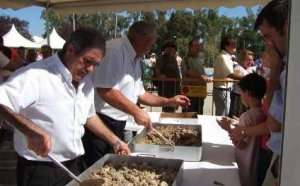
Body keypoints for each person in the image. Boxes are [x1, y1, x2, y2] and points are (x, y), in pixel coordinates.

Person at [0, 27, 130, 186]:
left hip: (73, 166)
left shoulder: (85, 81)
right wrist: (30, 130)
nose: (91, 69)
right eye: (88, 61)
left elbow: (88, 116)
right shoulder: (36, 74)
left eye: (96, 65)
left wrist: (115, 141)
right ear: (70, 50)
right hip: (40, 170)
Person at [83, 20, 190, 167]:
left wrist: (169, 101)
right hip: (100, 123)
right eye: (150, 43)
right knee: (96, 169)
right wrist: (136, 111)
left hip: (118, 123)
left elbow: (141, 94)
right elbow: (105, 90)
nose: (150, 48)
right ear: (142, 40)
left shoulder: (135, 57)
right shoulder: (115, 51)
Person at [229, 0, 289, 184]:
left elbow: (273, 123)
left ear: (286, 26)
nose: (267, 44)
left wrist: (276, 68)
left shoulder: (286, 70)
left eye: (267, 36)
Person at [218, 73, 267, 186]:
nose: (240, 96)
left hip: (245, 166)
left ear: (248, 93)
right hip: (255, 166)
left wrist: (228, 128)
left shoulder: (247, 117)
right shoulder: (261, 114)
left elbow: (241, 144)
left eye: (242, 92)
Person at [213, 35, 243, 116]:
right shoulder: (223, 57)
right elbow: (230, 74)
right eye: (232, 44)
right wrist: (247, 78)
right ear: (226, 46)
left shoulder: (228, 57)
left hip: (226, 90)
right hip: (222, 90)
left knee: (224, 115)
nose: (235, 46)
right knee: (222, 116)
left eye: (235, 44)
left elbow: (234, 71)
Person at [181, 39, 212, 114]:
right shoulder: (186, 59)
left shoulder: (198, 59)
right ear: (190, 47)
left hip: (199, 92)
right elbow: (189, 71)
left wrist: (204, 88)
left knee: (199, 115)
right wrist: (201, 77)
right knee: (188, 116)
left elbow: (202, 74)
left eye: (199, 46)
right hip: (189, 93)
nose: (198, 48)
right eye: (196, 46)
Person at [154, 40, 182, 112]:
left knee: (173, 108)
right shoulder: (162, 58)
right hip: (166, 89)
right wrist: (160, 75)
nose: (170, 48)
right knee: (168, 109)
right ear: (164, 49)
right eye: (167, 47)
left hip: (175, 88)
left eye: (172, 47)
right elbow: (156, 70)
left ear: (175, 49)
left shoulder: (174, 59)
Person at [228, 50, 255, 117]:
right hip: (238, 97)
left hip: (247, 97)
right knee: (236, 117)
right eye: (248, 60)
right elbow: (237, 76)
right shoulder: (238, 67)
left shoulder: (250, 69)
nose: (250, 62)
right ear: (242, 59)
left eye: (251, 60)